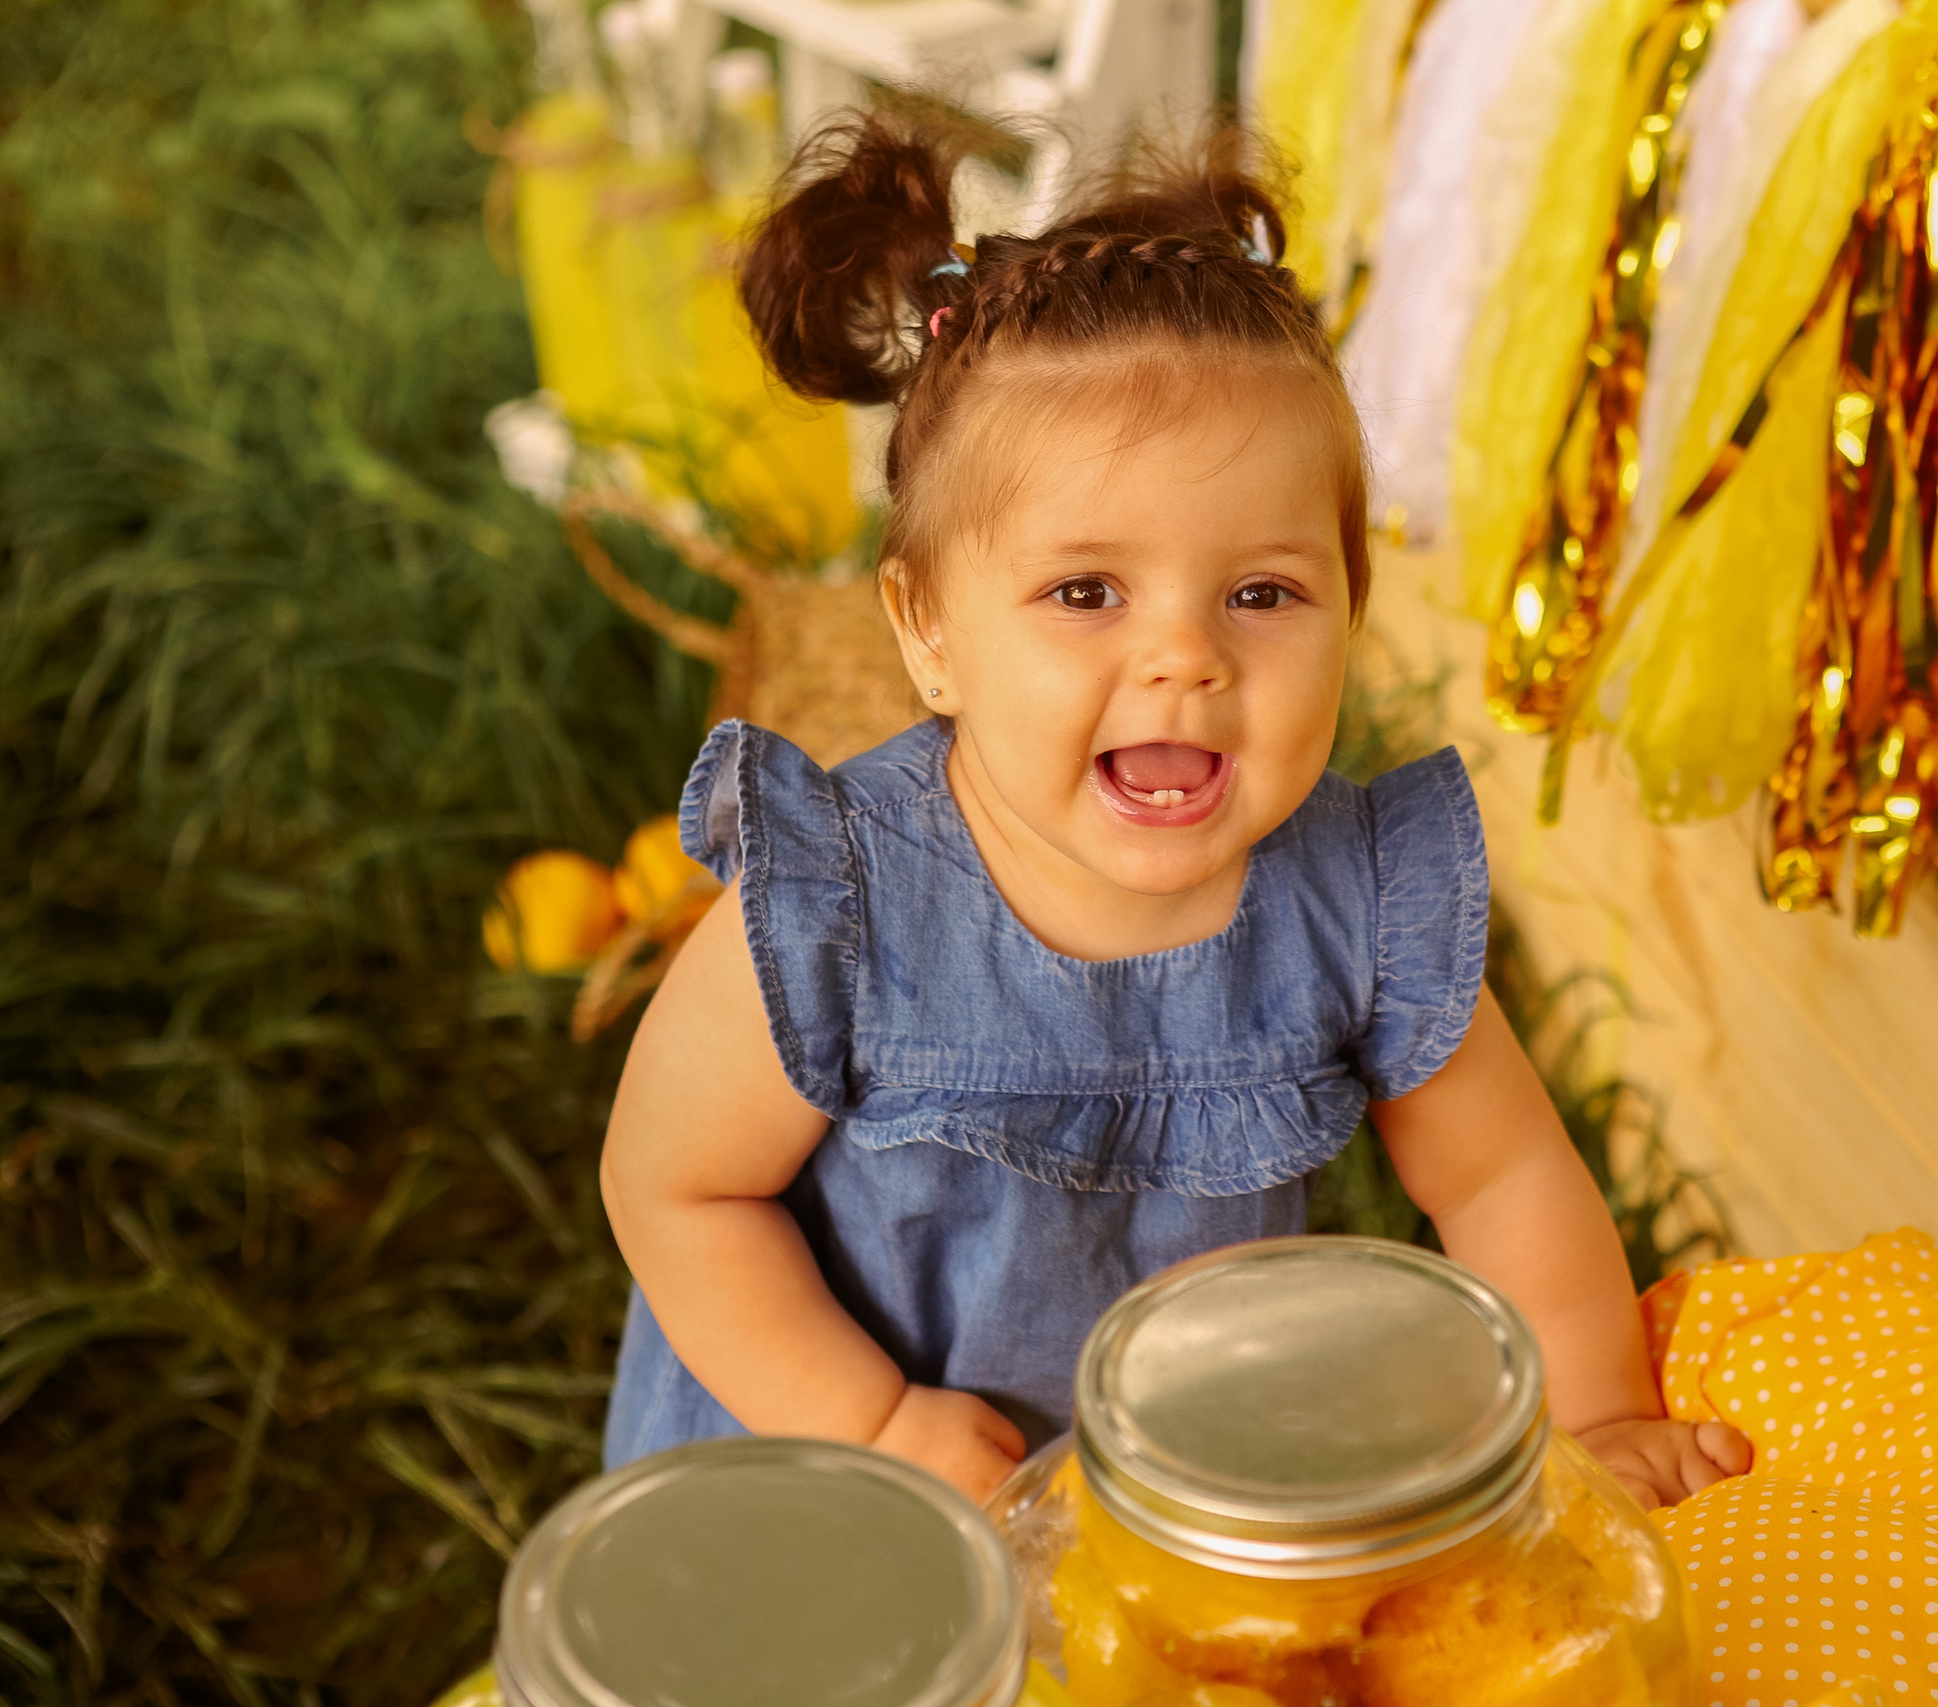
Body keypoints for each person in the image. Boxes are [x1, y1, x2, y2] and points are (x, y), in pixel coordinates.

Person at [596, 113, 1750, 1511]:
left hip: (1173, 1481)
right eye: (1086, 593)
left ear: (1350, 617)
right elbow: (675, 1190)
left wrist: (1600, 1408)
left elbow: (1504, 1176)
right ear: (930, 631)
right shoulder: (835, 905)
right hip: (830, 1480)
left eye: (1261, 595)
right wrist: (875, 1417)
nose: (1186, 658)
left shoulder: (1353, 903)